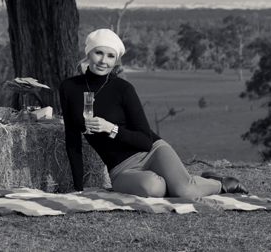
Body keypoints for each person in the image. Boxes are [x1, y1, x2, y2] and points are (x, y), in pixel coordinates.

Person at [59, 28, 249, 198]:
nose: (103, 61)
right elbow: (72, 141)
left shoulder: (123, 89)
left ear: (115, 60)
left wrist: (111, 129)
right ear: (88, 53)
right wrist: (78, 188)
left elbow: (145, 141)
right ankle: (178, 182)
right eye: (98, 53)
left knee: (185, 192)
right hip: (121, 169)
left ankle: (218, 183)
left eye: (110, 56)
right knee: (154, 189)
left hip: (153, 152)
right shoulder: (69, 88)